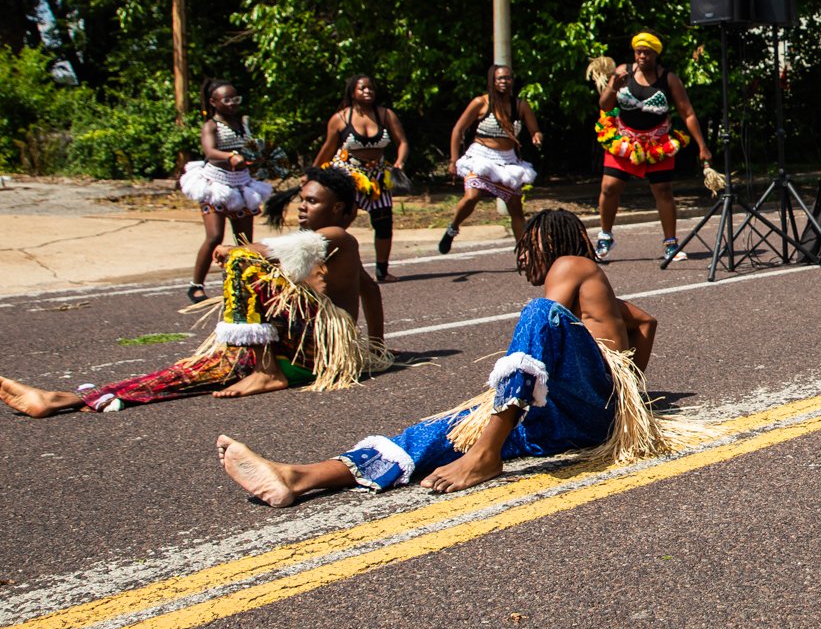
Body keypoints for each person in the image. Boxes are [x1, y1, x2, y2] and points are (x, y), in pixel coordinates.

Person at [218, 209, 686, 505]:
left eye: (527, 249)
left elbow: (552, 321)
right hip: (575, 416)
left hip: (583, 402)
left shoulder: (571, 266)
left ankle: (487, 453)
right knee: (432, 435)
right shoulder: (595, 284)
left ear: (548, 244)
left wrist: (619, 390)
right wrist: (631, 395)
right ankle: (299, 478)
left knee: (541, 312)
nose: (522, 260)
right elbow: (646, 322)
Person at [0, 167, 386, 416]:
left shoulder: (336, 237)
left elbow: (272, 253)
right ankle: (61, 400)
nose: (302, 207)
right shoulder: (335, 247)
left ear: (339, 211)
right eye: (301, 199)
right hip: (292, 350)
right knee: (187, 373)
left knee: (243, 263)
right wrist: (377, 346)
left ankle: (268, 373)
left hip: (309, 355)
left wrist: (237, 251)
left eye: (312, 201)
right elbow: (370, 291)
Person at [594, 32, 715, 262]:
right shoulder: (623, 72)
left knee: (663, 191)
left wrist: (702, 145)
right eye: (638, 52)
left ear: (656, 54)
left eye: (647, 52)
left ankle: (671, 244)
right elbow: (605, 105)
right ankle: (605, 236)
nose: (642, 56)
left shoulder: (668, 79)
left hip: (656, 144)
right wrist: (613, 88)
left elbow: (687, 113)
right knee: (609, 187)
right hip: (625, 142)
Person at [178, 78, 273, 303]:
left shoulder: (244, 123)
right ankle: (196, 285)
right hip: (215, 185)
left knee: (244, 241)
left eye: (235, 99)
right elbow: (210, 152)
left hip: (241, 184)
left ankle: (244, 282)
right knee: (214, 236)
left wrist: (258, 158)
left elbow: (252, 147)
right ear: (214, 102)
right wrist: (231, 157)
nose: (232, 104)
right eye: (226, 100)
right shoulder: (211, 125)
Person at [313, 74, 411, 280]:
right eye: (363, 88)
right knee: (342, 221)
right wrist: (312, 175)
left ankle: (382, 271)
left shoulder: (385, 115)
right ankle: (323, 264)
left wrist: (399, 162)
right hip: (348, 174)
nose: (368, 91)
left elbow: (402, 141)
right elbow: (328, 148)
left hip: (377, 176)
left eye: (371, 88)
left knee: (384, 222)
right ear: (352, 92)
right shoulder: (340, 119)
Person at [440, 63, 543, 253]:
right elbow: (458, 129)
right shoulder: (481, 103)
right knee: (473, 196)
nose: (504, 82)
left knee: (515, 206)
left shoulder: (520, 105)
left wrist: (536, 136)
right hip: (481, 157)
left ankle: (524, 252)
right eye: (500, 78)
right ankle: (453, 228)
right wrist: (454, 160)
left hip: (508, 161)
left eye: (508, 78)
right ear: (492, 81)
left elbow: (534, 129)